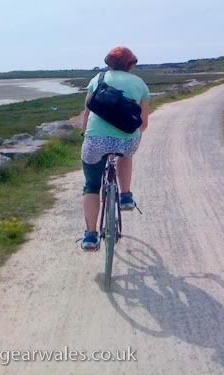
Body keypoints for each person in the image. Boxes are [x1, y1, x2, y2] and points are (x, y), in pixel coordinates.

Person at [80, 46, 150, 251]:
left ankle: (91, 236)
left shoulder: (97, 79)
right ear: (130, 64)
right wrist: (132, 135)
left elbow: (86, 114)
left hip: (95, 141)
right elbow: (143, 122)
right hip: (127, 140)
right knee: (126, 155)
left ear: (108, 63)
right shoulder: (140, 84)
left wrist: (86, 134)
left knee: (91, 186)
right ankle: (126, 195)